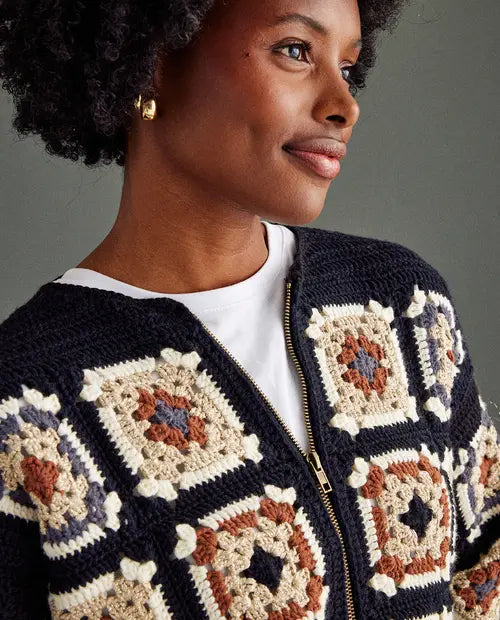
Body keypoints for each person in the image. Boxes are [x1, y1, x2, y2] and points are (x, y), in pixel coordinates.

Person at [0, 0, 498, 618]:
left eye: (347, 66)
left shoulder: (401, 304)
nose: (344, 105)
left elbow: (485, 577)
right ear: (153, 61)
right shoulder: (25, 399)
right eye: (295, 51)